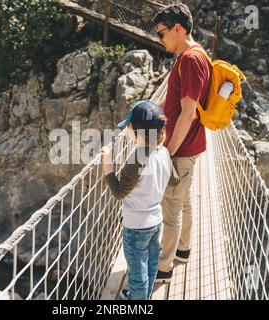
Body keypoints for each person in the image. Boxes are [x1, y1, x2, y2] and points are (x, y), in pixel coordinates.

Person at [152, 3, 211, 282]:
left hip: (182, 148)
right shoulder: (195, 55)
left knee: (170, 208)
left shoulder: (190, 60)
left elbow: (188, 111)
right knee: (183, 199)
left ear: (178, 28)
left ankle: (162, 268)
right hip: (190, 145)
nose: (160, 39)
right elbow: (180, 104)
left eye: (162, 33)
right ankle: (183, 250)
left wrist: (168, 151)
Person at [101, 100, 179, 300]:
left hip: (136, 227)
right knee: (151, 265)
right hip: (155, 222)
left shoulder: (138, 158)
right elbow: (175, 180)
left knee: (137, 274)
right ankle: (143, 296)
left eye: (128, 126)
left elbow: (119, 192)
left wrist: (107, 163)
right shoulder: (163, 154)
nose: (126, 129)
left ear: (136, 130)